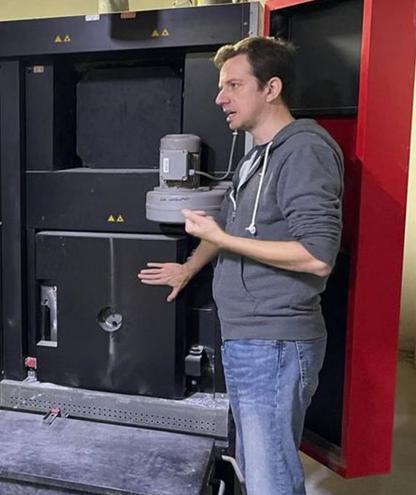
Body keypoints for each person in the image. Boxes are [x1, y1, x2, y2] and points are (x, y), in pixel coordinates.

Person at [138, 37, 343, 495]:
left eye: (233, 85)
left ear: (271, 88)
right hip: (250, 338)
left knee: (271, 478)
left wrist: (220, 238)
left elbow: (317, 255)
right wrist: (190, 267)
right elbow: (233, 224)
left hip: (274, 341)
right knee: (256, 465)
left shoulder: (303, 151)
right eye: (220, 86)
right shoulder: (256, 155)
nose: (220, 98)